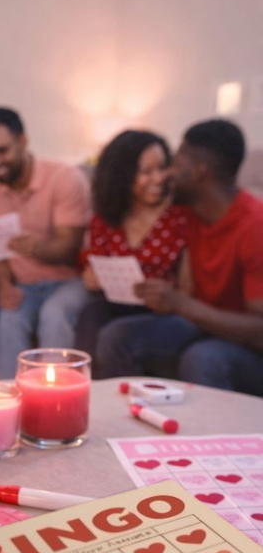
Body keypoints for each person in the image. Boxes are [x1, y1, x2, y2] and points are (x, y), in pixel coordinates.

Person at [96, 119, 263, 394]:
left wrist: (180, 303)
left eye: (176, 164)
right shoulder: (191, 214)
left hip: (249, 348)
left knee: (203, 358)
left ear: (200, 172)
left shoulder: (253, 226)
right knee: (116, 337)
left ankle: (206, 438)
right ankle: (133, 423)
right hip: (205, 325)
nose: (166, 174)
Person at [0, 107, 91, 379]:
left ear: (23, 141)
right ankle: (7, 404)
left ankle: (55, 401)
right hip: (23, 286)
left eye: (1, 151)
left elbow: (70, 247)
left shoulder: (65, 178)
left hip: (68, 282)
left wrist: (35, 248)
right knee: (8, 320)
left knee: (54, 314)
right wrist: (4, 286)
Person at [76, 129, 189, 368]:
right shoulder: (108, 216)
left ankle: (116, 402)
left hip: (165, 311)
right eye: (146, 172)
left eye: (162, 168)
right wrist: (90, 273)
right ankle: (81, 391)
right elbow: (93, 258)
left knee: (114, 336)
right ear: (123, 176)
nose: (158, 178)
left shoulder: (181, 216)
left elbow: (191, 288)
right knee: (90, 314)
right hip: (118, 303)